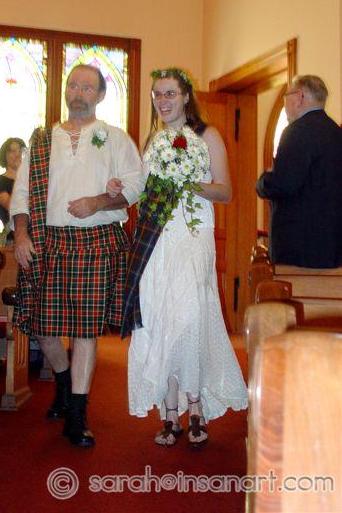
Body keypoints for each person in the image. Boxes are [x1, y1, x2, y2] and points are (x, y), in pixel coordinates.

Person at [11, 64, 145, 448]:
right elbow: (22, 193)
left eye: (87, 87)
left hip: (97, 242)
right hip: (49, 242)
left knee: (86, 331)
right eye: (73, 85)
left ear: (100, 95)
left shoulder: (115, 138)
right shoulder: (41, 140)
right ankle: (64, 382)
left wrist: (99, 201)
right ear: (65, 90)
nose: (79, 92)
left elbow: (136, 184)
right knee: (43, 326)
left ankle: (77, 415)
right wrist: (20, 234)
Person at [116, 68, 247, 447]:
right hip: (157, 238)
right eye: (157, 94)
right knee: (162, 318)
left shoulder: (208, 136)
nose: (163, 100)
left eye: (170, 93)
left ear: (186, 96)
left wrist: (189, 182)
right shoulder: (153, 141)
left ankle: (197, 408)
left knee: (189, 318)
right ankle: (171, 415)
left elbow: (225, 191)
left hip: (194, 235)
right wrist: (119, 185)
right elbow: (141, 188)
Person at [256, 75, 342, 268]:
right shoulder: (337, 134)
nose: (285, 103)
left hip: (300, 249)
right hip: (335, 249)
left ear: (300, 97)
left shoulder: (296, 132)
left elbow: (284, 183)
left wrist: (263, 181)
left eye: (286, 96)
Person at [0, 137, 26, 244]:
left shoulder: (30, 180)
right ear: (5, 155)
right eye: (13, 151)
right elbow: (13, 207)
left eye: (21, 151)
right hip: (13, 238)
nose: (18, 155)